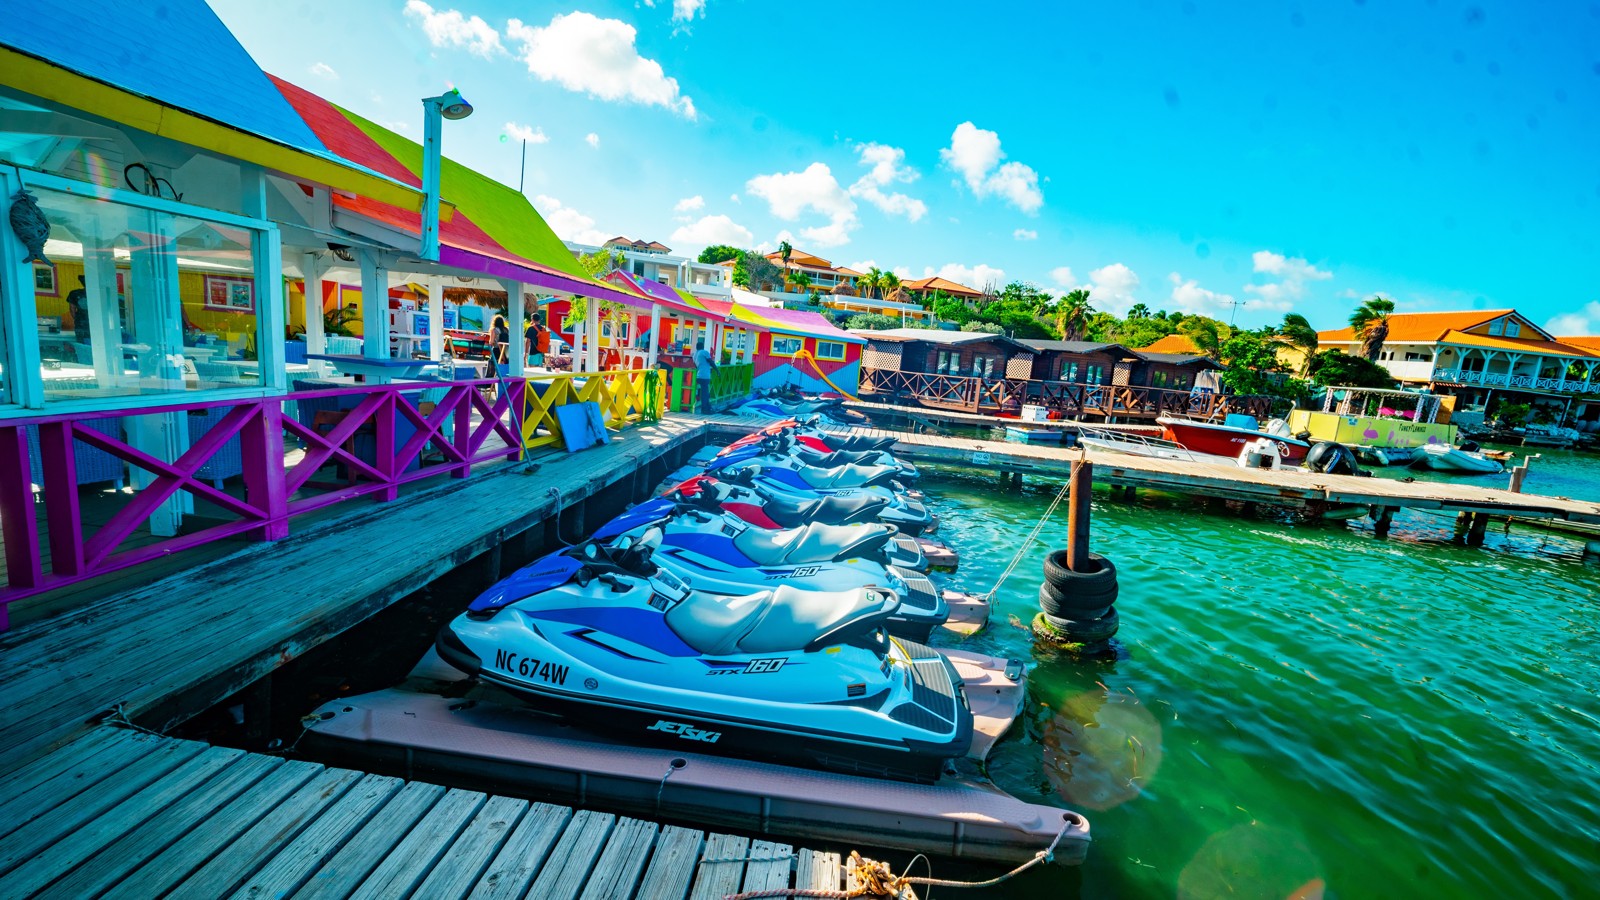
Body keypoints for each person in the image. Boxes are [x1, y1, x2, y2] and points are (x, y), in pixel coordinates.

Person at [693, 338, 716, 413]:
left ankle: (707, 407)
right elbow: (711, 362)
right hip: (705, 375)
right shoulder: (704, 352)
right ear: (703, 346)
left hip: (698, 375)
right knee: (705, 393)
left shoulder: (694, 354)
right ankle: (705, 409)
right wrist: (717, 370)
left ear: (696, 347)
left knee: (704, 393)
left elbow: (696, 366)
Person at [67, 276, 90, 343]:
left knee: (82, 345)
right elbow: (72, 309)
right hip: (87, 325)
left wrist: (77, 318)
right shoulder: (99, 294)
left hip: (81, 324)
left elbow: (72, 309)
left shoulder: (74, 293)